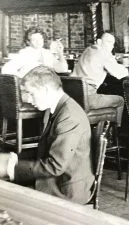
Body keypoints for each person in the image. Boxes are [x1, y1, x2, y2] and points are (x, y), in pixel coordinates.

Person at [0, 66, 94, 204]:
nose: (29, 100)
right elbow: (46, 150)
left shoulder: (69, 117)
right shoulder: (56, 108)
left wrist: (10, 168)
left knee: (7, 199)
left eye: (31, 93)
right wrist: (12, 158)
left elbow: (55, 166)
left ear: (45, 90)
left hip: (65, 190)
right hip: (57, 179)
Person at [71, 32, 129, 127]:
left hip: (74, 98)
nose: (111, 46)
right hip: (88, 99)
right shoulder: (103, 52)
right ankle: (116, 135)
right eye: (108, 42)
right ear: (99, 41)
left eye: (113, 43)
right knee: (120, 100)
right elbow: (120, 73)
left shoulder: (88, 50)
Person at [2, 27, 68, 78]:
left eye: (40, 38)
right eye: (34, 40)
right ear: (28, 42)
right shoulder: (25, 53)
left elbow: (62, 69)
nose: (38, 42)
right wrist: (21, 79)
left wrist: (60, 53)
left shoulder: (47, 53)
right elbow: (6, 69)